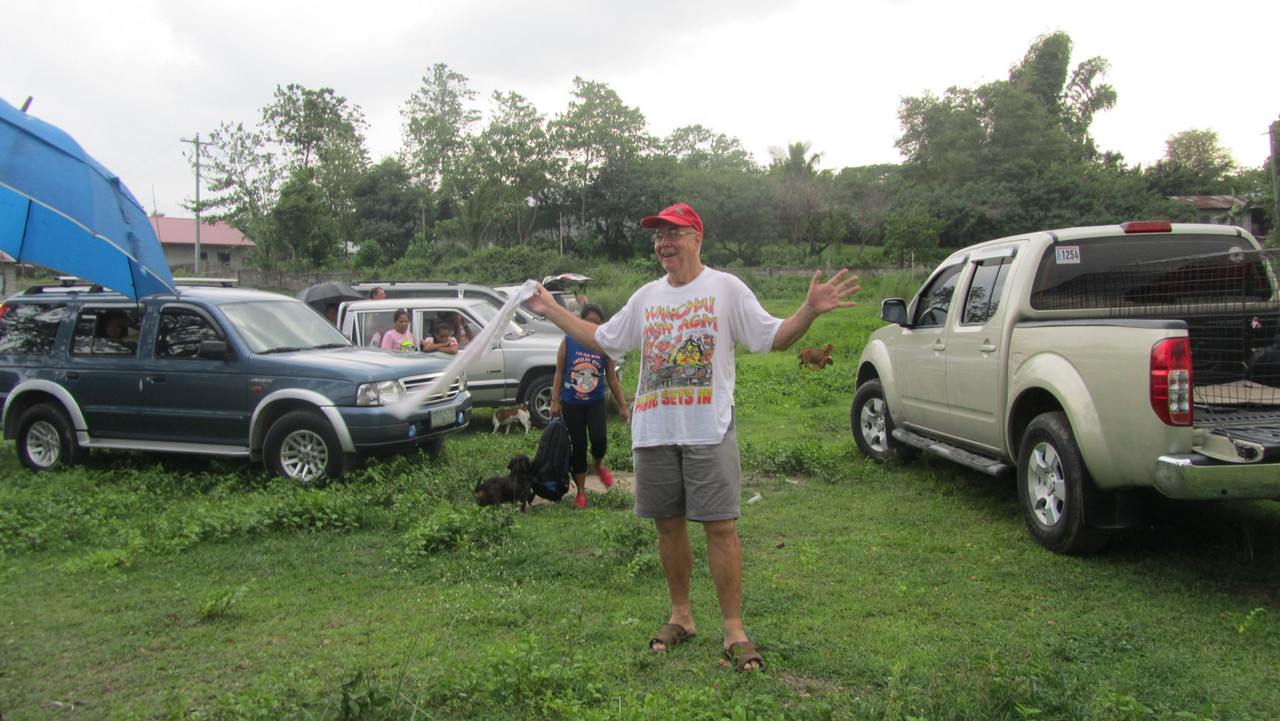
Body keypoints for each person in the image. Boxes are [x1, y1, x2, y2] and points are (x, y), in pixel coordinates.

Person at [525, 203, 859, 672]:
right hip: (654, 431)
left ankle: (734, 629)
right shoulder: (646, 297)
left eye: (674, 233)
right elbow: (601, 338)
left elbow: (775, 337)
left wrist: (808, 310)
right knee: (668, 526)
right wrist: (552, 310)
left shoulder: (726, 288)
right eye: (658, 236)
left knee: (720, 527)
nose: (664, 243)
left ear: (697, 238)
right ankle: (681, 616)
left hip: (708, 429)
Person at [549, 302, 630, 509]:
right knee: (579, 446)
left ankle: (598, 464)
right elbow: (559, 371)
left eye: (598, 323)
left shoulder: (604, 346)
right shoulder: (568, 341)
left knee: (599, 440)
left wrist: (622, 405)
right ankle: (581, 492)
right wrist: (555, 400)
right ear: (580, 322)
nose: (594, 327)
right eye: (589, 323)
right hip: (571, 403)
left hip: (595, 402)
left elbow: (611, 378)